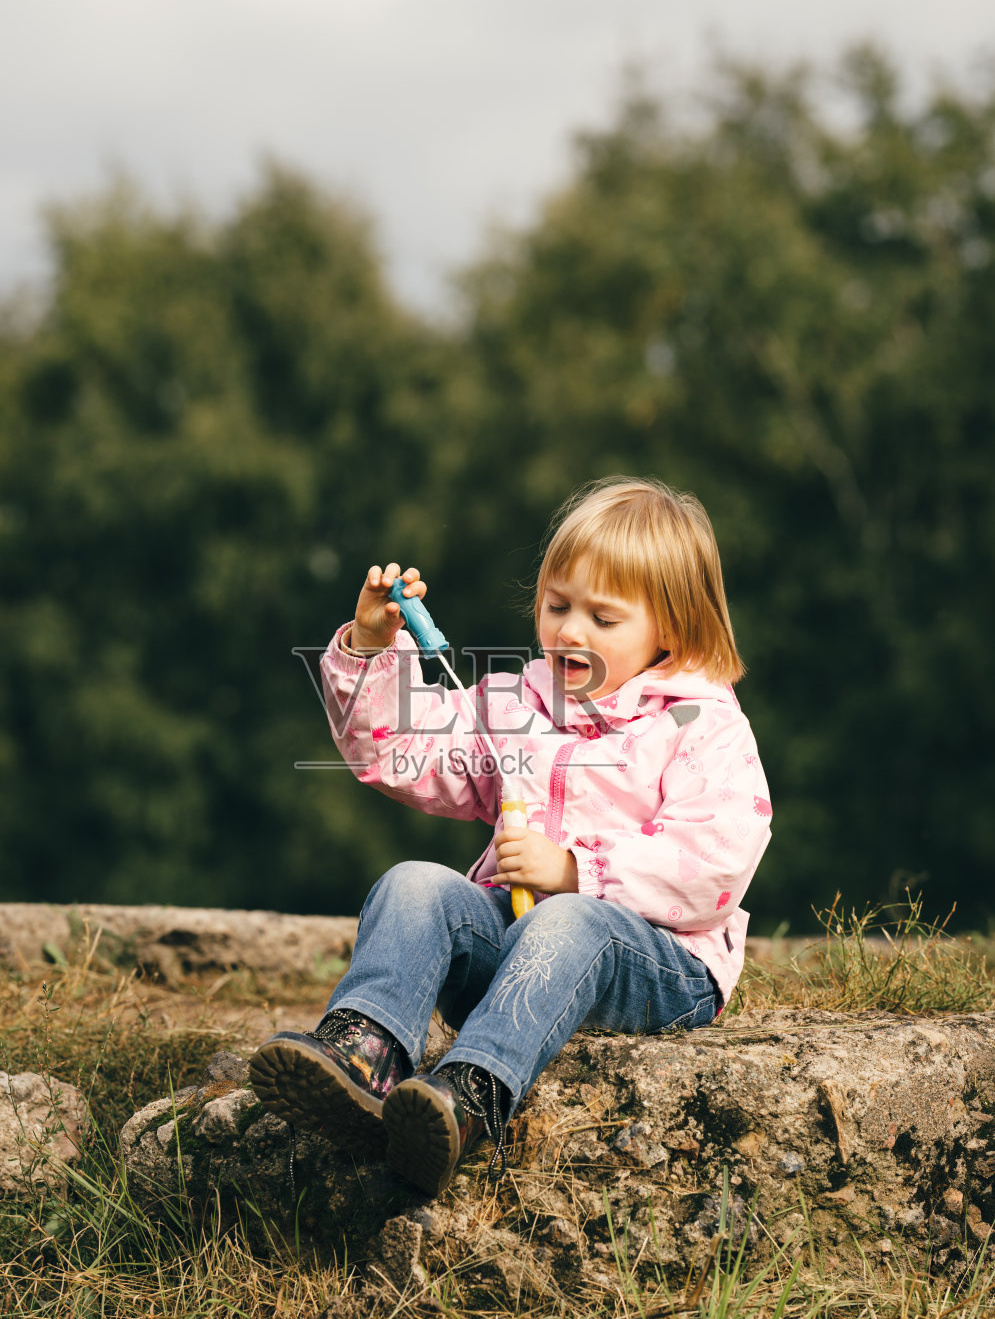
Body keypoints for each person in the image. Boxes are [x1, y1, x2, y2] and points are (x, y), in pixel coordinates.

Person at [250, 478, 772, 1195]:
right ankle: (366, 1050)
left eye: (602, 617)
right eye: (556, 605)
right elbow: (400, 753)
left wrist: (574, 870)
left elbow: (712, 865)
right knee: (414, 883)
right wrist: (372, 649)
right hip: (515, 954)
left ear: (669, 632)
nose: (569, 631)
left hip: (660, 964)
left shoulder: (697, 725)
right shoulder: (516, 703)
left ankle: (470, 1098)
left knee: (570, 920)